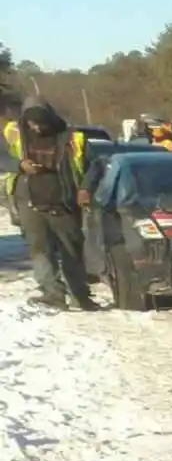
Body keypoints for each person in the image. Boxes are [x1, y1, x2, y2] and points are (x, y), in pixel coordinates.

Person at [3, 98, 97, 311]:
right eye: (31, 123)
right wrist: (19, 165)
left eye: (40, 123)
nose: (36, 128)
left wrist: (85, 188)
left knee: (71, 251)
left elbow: (95, 166)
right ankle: (52, 294)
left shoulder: (73, 138)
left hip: (64, 203)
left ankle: (80, 296)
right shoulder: (14, 134)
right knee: (40, 250)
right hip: (29, 203)